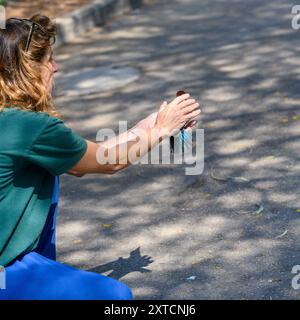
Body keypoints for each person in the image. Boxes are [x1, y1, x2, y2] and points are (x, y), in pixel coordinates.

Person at [0, 15, 201, 300]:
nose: (55, 67)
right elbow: (111, 162)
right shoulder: (29, 127)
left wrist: (152, 124)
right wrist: (162, 129)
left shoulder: (11, 120)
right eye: (49, 60)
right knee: (114, 297)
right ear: (29, 70)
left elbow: (87, 159)